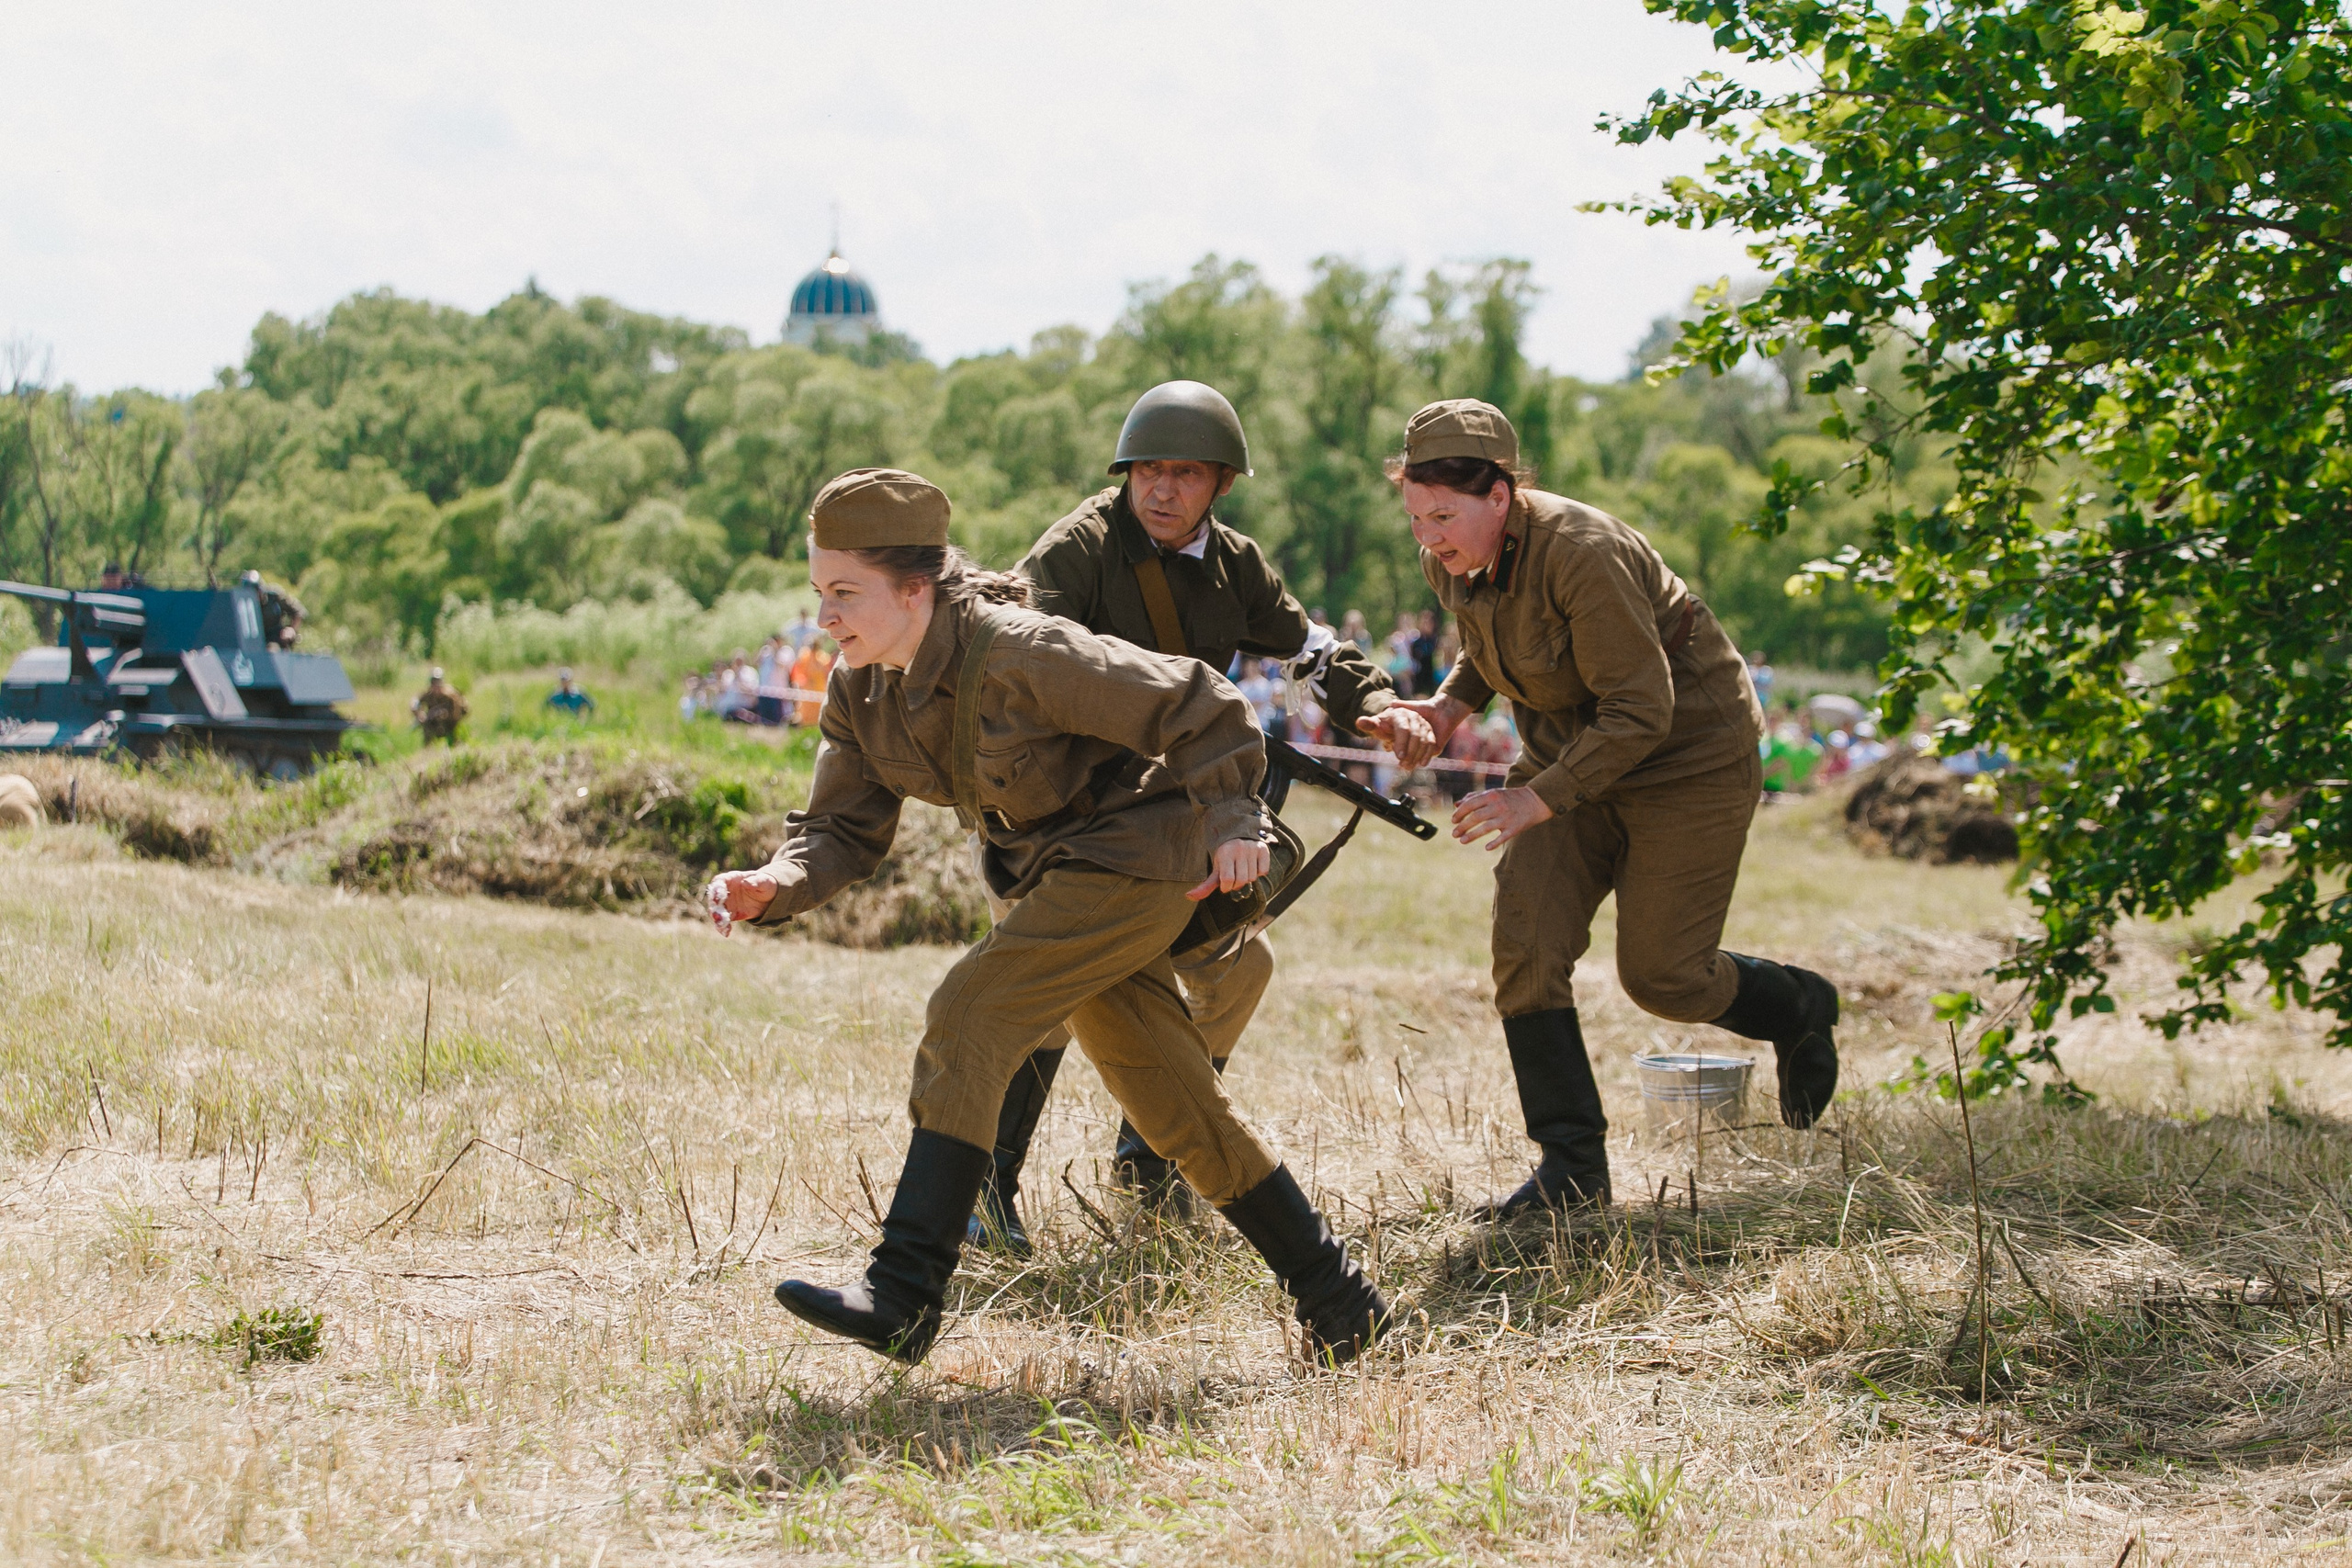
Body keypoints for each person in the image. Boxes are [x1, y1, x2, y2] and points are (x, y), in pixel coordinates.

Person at [706, 468, 1386, 1366]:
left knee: (970, 1011)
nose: (824, 617)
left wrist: (1232, 824)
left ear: (915, 589)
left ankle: (904, 1289)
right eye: (818, 593)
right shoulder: (861, 687)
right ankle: (1340, 1299)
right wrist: (775, 880)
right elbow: (839, 828)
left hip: (1140, 859)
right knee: (1176, 1106)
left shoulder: (1020, 650)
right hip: (1058, 882)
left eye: (843, 593)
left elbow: (1201, 702)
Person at [963, 380, 1426, 1253]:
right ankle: (981, 1188)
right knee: (1050, 995)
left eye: (1184, 472)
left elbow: (1310, 650)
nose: (1162, 489)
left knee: (1238, 972)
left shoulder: (1234, 565)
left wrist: (1375, 706)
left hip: (1173, 822)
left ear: (1221, 482)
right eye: (1147, 470)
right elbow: (1009, 664)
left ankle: (1153, 1157)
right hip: (1060, 818)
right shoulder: (1076, 551)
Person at [1376, 400, 1842, 1218]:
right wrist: (1445, 711)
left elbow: (1640, 709)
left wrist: (1535, 796)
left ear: (1502, 494)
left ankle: (1797, 1007)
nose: (1430, 538)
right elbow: (1486, 648)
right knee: (1525, 944)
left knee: (1662, 975)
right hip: (1570, 753)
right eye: (1416, 516)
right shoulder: (1451, 557)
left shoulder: (1580, 552)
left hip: (1685, 758)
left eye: (1445, 515)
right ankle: (1572, 1172)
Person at [412, 669, 468, 744]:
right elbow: (416, 702)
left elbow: (462, 709)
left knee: (454, 737)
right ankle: (428, 750)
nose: (436, 686)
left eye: (438, 683)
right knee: (427, 727)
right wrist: (419, 714)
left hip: (450, 723)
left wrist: (446, 714)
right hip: (434, 723)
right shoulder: (429, 694)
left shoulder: (451, 695)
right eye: (433, 683)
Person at [788, 635, 833, 726]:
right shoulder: (804, 656)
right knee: (805, 712)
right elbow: (798, 671)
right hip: (807, 689)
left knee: (819, 713)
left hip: (819, 689)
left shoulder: (823, 657)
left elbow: (827, 673)